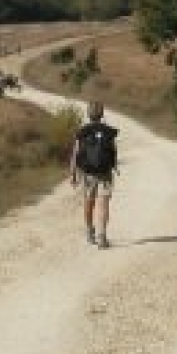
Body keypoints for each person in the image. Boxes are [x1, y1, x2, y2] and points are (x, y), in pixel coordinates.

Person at [69, 100, 119, 249]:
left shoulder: (82, 132)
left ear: (88, 114)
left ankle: (90, 232)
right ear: (102, 114)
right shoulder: (109, 132)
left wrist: (73, 173)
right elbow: (113, 151)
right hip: (105, 172)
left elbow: (76, 153)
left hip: (88, 173)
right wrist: (113, 165)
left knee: (89, 202)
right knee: (103, 203)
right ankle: (102, 236)